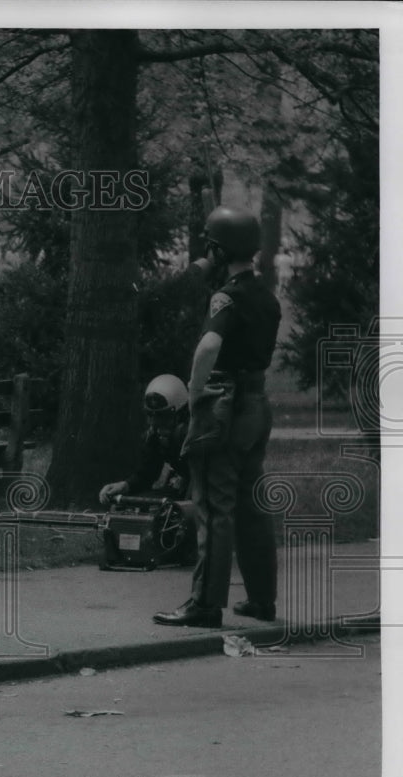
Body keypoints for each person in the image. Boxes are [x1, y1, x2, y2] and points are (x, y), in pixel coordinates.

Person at [153, 206, 281, 629]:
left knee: (213, 505)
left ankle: (205, 604)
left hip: (225, 406)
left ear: (219, 248)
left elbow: (209, 346)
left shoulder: (227, 295)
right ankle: (261, 600)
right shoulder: (266, 295)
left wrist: (193, 393)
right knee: (249, 505)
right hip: (257, 404)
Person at [99, 374, 191, 505]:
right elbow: (147, 474)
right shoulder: (155, 437)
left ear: (180, 415)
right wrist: (125, 486)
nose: (154, 423)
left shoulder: (198, 437)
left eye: (163, 417)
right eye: (150, 415)